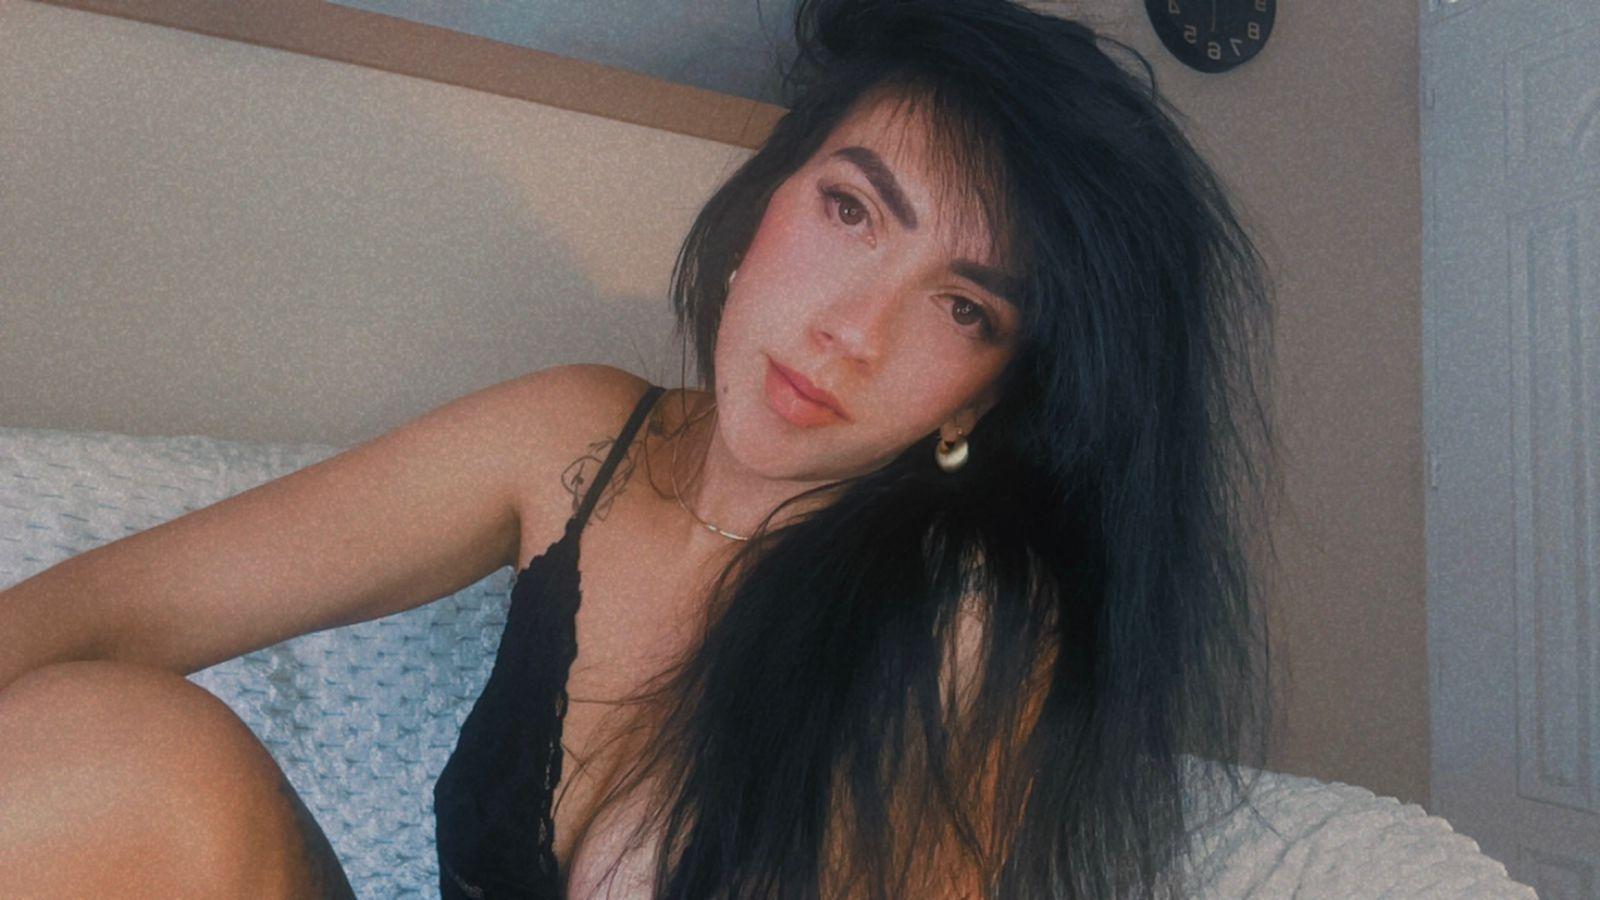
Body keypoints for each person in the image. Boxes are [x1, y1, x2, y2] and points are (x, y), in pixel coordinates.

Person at [0, 0, 1283, 896]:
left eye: (961, 309)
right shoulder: (575, 438)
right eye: (849, 210)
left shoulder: (970, 618)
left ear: (981, 400)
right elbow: (109, 610)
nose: (850, 333)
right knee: (121, 749)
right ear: (766, 197)